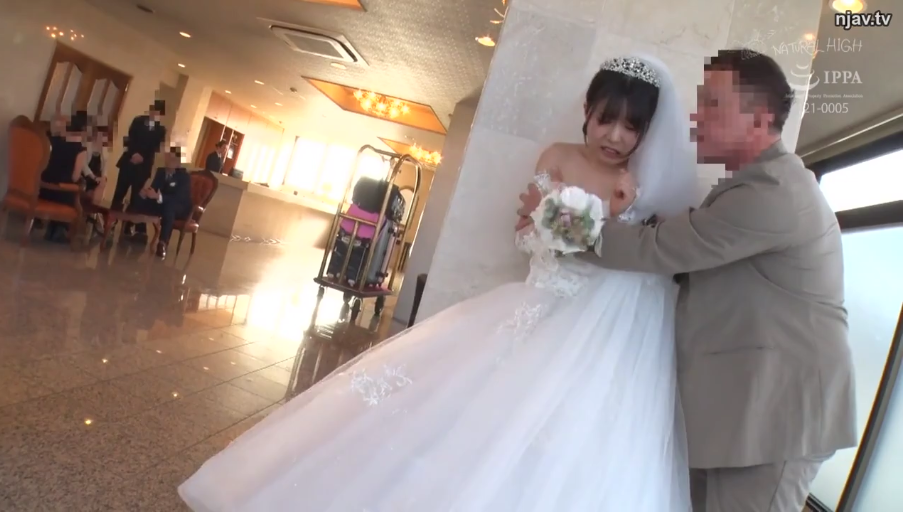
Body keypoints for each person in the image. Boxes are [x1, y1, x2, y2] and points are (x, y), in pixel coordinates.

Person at [178, 55, 698, 511]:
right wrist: (551, 226)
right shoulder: (558, 157)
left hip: (598, 333)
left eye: (631, 127)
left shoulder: (642, 184)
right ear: (587, 108)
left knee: (558, 443)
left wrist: (610, 214)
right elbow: (524, 237)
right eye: (607, 119)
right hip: (536, 308)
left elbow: (642, 256)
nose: (615, 136)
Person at [533, 49, 855, 512]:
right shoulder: (753, 185)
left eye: (712, 105)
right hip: (744, 409)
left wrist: (553, 219)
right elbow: (690, 255)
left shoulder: (772, 193)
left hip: (777, 416)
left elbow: (658, 249)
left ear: (759, 118)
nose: (695, 117)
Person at [111, 100, 166, 241]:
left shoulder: (161, 130)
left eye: (158, 113)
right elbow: (128, 138)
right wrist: (133, 153)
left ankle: (129, 225)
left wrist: (143, 157)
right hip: (129, 162)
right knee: (119, 192)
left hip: (143, 166)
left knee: (136, 197)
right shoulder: (138, 121)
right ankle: (111, 222)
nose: (155, 114)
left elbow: (156, 148)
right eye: (154, 111)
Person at [128, 145, 192, 259]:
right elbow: (154, 188)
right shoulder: (161, 171)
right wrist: (146, 192)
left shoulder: (184, 177)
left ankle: (162, 243)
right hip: (161, 203)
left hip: (179, 207)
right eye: (167, 157)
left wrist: (158, 196)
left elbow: (178, 198)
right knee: (139, 198)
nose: (168, 161)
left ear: (178, 162)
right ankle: (139, 232)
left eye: (172, 158)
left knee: (170, 207)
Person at [39, 111, 88, 243]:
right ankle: (59, 229)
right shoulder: (80, 150)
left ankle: (51, 228)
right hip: (60, 192)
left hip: (43, 187)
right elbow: (74, 177)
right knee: (75, 187)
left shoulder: (54, 139)